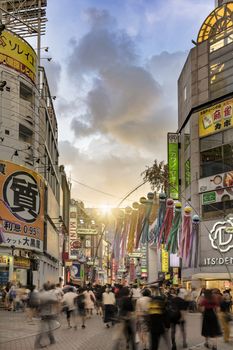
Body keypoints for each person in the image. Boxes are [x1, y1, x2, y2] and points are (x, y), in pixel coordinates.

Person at [34, 283, 58, 349]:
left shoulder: (41, 294)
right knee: (45, 329)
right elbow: (55, 301)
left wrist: (37, 311)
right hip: (49, 314)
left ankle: (52, 340)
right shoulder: (49, 294)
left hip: (44, 314)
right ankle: (37, 343)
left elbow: (38, 304)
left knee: (47, 328)